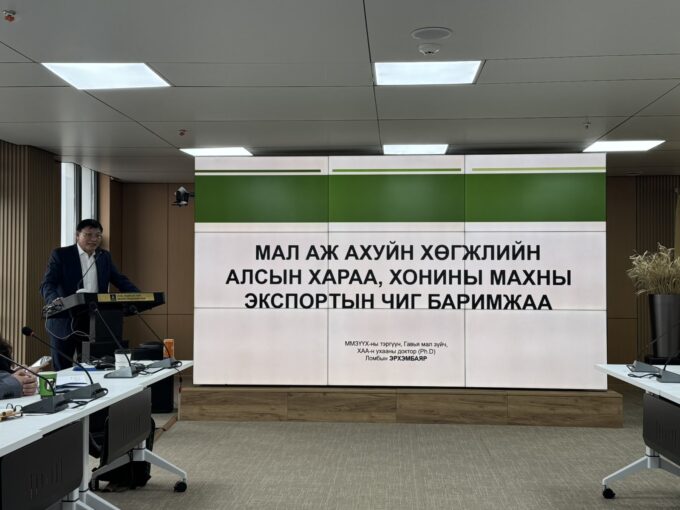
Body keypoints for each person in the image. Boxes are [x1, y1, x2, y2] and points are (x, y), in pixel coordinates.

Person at [40, 219, 139, 370]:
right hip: (65, 320)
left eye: (98, 235)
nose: (94, 239)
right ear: (77, 235)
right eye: (88, 235)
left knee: (93, 367)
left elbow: (120, 280)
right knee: (62, 368)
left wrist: (138, 296)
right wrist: (55, 301)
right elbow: (47, 284)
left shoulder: (103, 256)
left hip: (92, 321)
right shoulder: (61, 254)